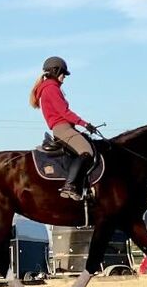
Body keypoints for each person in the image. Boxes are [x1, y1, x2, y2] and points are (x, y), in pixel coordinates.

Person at [29, 56, 98, 201]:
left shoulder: (48, 88)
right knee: (87, 151)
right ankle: (70, 186)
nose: (64, 78)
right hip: (63, 128)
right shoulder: (51, 88)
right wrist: (85, 124)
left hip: (63, 128)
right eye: (63, 74)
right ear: (55, 71)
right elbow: (64, 112)